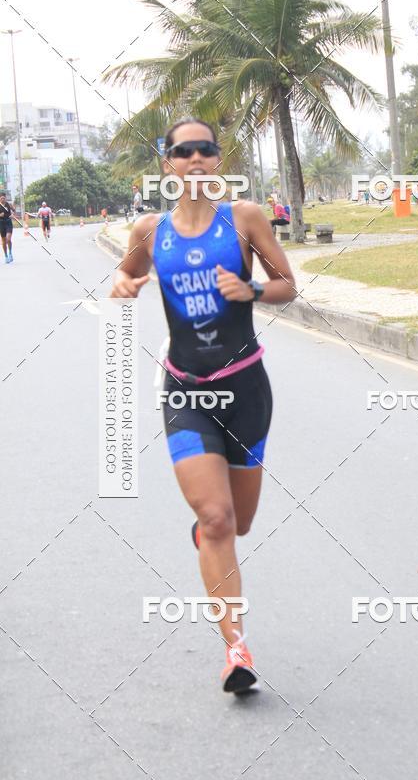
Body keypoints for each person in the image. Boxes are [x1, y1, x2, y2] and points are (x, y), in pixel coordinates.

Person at [110, 118, 296, 694]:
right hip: (186, 390)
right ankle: (235, 649)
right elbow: (128, 269)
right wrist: (122, 282)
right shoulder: (150, 230)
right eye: (182, 151)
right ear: (168, 164)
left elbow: (288, 283)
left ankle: (211, 538)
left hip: (246, 389)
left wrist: (255, 290)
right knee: (216, 519)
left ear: (218, 161)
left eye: (205, 150)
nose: (195, 159)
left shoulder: (243, 220)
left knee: (238, 522)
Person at [0, 193, 16, 263]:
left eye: (4, 198)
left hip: (8, 222)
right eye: (1, 198)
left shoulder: (9, 204)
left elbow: (14, 211)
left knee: (8, 239)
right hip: (1, 223)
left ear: (6, 198)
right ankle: (6, 256)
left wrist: (12, 214)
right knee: (3, 241)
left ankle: (10, 253)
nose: (3, 199)